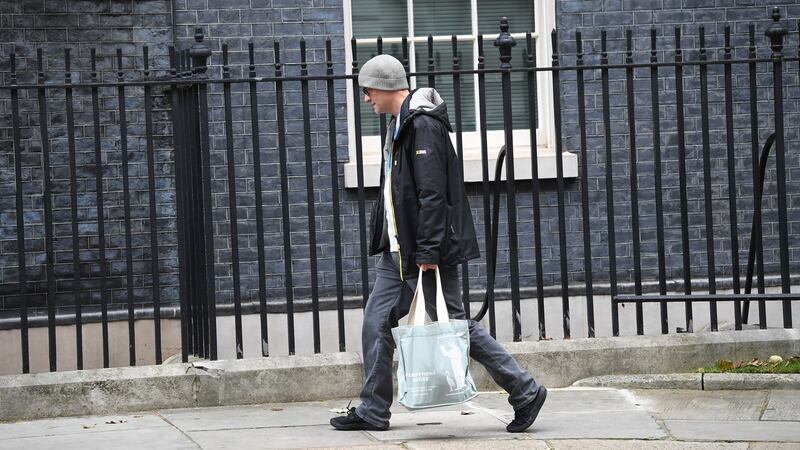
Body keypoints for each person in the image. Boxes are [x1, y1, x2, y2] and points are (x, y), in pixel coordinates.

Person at [330, 54, 547, 433]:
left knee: (456, 327)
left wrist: (428, 250)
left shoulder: (423, 125)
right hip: (398, 252)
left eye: (367, 91)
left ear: (384, 87)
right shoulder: (400, 125)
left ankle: (525, 390)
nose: (366, 99)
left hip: (422, 252)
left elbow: (433, 194)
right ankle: (374, 409)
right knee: (376, 323)